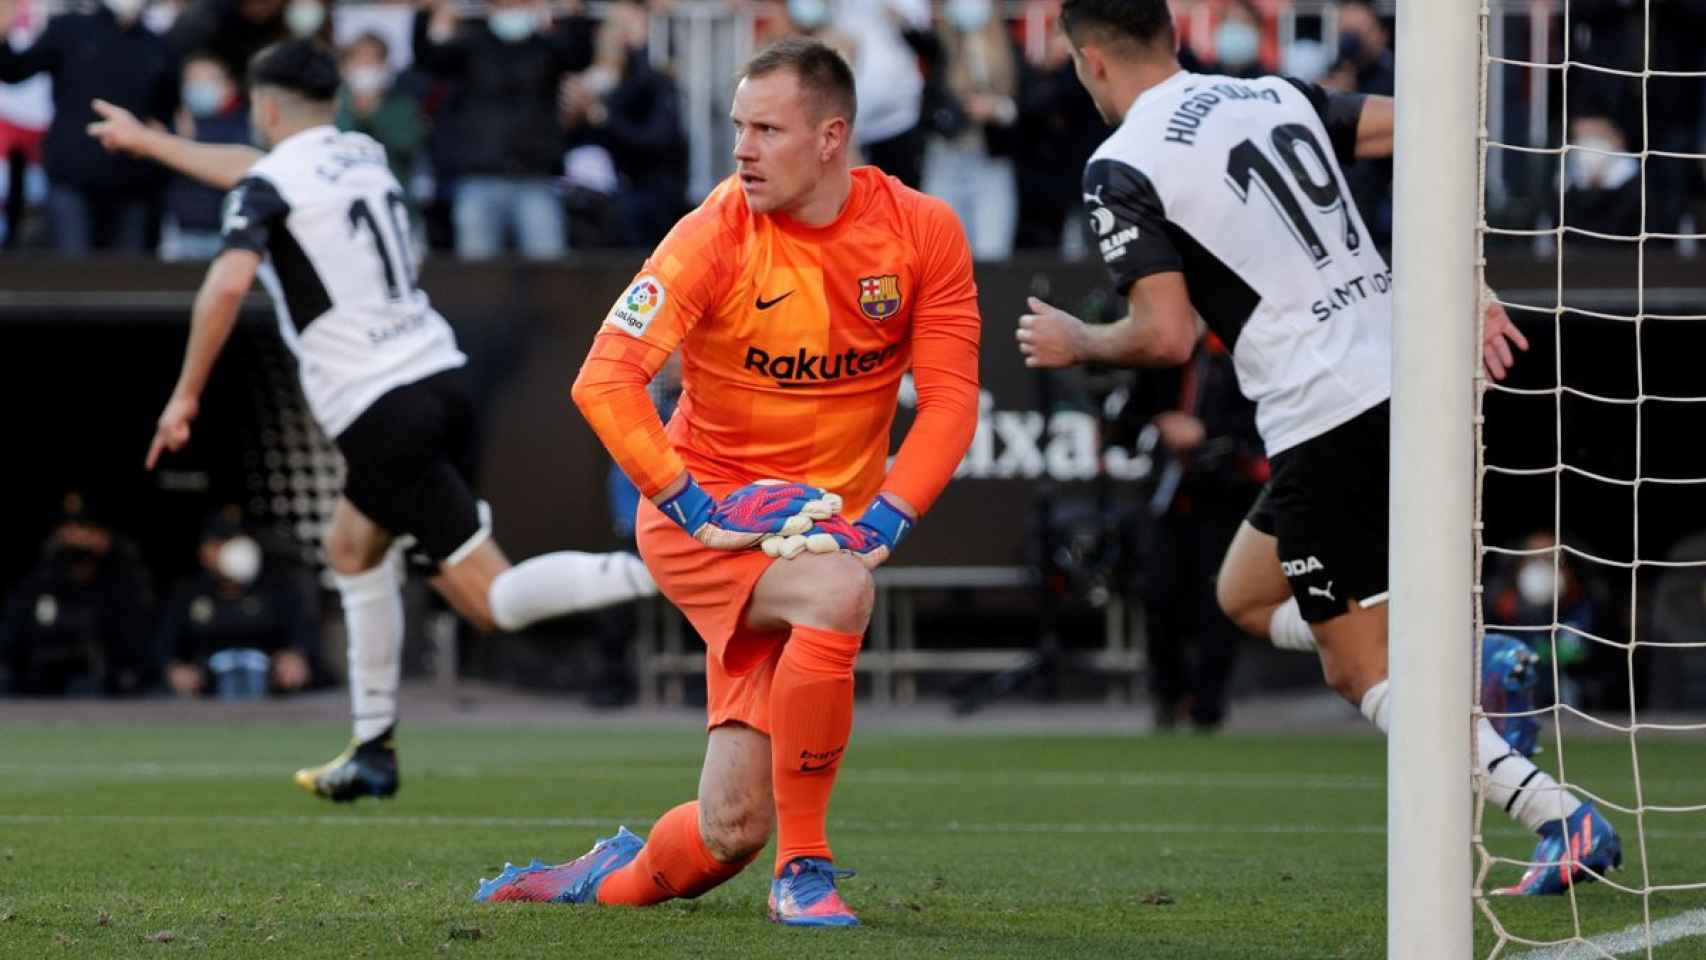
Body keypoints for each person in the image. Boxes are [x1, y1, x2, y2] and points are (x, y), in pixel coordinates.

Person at [1013, 0, 1622, 896]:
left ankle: (1560, 819)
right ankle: (1469, 661)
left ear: (1089, 62)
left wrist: (1079, 340)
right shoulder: (1268, 95)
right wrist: (1468, 273)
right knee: (1245, 592)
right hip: (1409, 380)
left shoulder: (1124, 163)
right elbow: (1430, 121)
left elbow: (1167, 334)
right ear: (1171, 37)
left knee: (1356, 668)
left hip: (1326, 415)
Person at [472, 37, 981, 927]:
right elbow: (605, 380)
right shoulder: (712, 233)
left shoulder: (921, 231)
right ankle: (808, 872)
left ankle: (597, 875)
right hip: (705, 527)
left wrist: (888, 520)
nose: (741, 148)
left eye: (766, 129)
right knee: (838, 591)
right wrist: (697, 509)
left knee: (727, 831)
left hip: (819, 533)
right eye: (737, 126)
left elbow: (948, 403)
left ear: (832, 138)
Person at [86, 40, 658, 803]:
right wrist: (150, 140)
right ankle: (372, 748)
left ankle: (672, 572)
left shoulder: (273, 182)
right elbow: (255, 175)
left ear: (263, 108)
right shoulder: (361, 153)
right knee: (352, 546)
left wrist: (185, 394)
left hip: (383, 407)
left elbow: (226, 285)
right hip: (435, 380)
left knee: (491, 600)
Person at [411, 0, 593, 259]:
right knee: (477, 282)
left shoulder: (546, 47)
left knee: (550, 278)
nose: (512, 8)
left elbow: (580, 56)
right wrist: (426, 13)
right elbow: (427, 58)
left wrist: (574, 16)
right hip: (479, 178)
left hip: (536, 178)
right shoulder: (472, 46)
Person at [0, 0, 179, 254]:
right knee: (73, 275)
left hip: (133, 183)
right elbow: (14, 71)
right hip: (72, 179)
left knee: (131, 280)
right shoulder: (68, 30)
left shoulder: (158, 46)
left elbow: (165, 112)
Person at [0, 493, 154, 696]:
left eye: (84, 530)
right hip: (38, 680)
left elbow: (139, 620)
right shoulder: (41, 581)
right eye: (69, 531)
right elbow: (12, 634)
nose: (76, 538)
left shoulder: (118, 579)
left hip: (99, 682)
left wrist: (112, 549)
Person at [158, 508, 318, 699]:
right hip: (205, 693)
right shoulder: (188, 592)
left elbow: (304, 633)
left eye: (232, 543)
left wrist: (296, 656)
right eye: (217, 545)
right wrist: (174, 668)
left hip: (272, 691)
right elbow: (163, 643)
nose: (226, 552)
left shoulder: (279, 587)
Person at [162, 52, 250, 260]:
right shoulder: (176, 124)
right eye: (192, 80)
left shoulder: (242, 125)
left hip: (225, 233)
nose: (198, 87)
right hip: (182, 232)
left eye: (206, 80)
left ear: (228, 87)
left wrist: (186, 142)